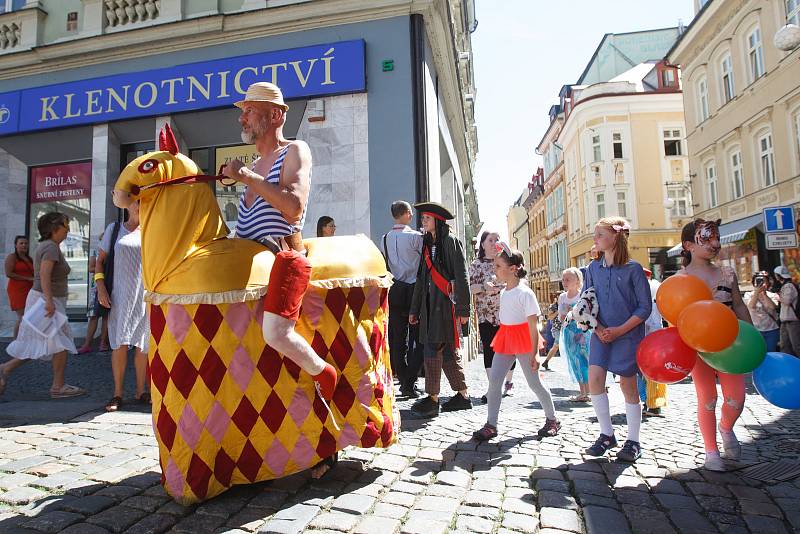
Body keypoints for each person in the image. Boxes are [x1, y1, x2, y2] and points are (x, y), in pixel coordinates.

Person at [220, 81, 337, 478]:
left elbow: (292, 208)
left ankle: (327, 375)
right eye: (244, 111)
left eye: (250, 111)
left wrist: (248, 178)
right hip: (254, 275)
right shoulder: (252, 171)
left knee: (275, 334)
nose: (242, 118)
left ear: (276, 116)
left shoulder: (295, 151)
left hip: (287, 262)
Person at [680, 219, 752, 471]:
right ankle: (711, 451)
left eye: (716, 237)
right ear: (689, 245)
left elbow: (739, 305)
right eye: (707, 238)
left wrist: (750, 334)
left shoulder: (727, 273)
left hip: (730, 345)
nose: (716, 244)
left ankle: (726, 427)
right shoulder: (682, 279)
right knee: (707, 398)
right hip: (697, 348)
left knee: (737, 399)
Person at [472, 244, 560, 441]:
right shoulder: (504, 292)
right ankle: (491, 424)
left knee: (534, 383)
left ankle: (552, 419)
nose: (494, 270)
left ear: (512, 269)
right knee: (494, 381)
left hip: (523, 339)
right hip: (506, 337)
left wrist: (536, 353)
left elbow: (533, 325)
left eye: (497, 266)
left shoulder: (525, 293)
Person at [583, 216, 651, 463]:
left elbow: (644, 308)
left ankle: (633, 440)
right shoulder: (592, 269)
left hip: (627, 336)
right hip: (600, 335)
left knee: (628, 386)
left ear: (615, 237)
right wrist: (599, 328)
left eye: (600, 234)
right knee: (595, 381)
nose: (595, 239)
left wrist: (620, 330)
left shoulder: (633, 270)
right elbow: (586, 303)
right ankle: (606, 434)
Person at [0, 213, 86, 399]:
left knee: (42, 343)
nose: (68, 230)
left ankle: (5, 369)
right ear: (54, 228)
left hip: (47, 299)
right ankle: (58, 386)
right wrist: (48, 301)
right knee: (61, 343)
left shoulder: (50, 246)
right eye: (65, 226)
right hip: (47, 300)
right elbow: (45, 275)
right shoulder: (50, 248)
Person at [409, 202, 472, 418]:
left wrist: (464, 309)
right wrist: (415, 309)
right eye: (423, 218)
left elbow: (462, 276)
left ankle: (433, 399)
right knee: (445, 352)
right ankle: (462, 396)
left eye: (426, 218)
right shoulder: (427, 244)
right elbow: (420, 279)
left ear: (437, 220)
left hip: (445, 306)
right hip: (429, 307)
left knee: (433, 350)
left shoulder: (450, 241)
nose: (423, 221)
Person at [96, 199, 150, 412]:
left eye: (143, 202)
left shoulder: (151, 231)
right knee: (119, 344)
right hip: (119, 294)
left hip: (144, 294)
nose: (139, 205)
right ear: (126, 205)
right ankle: (117, 393)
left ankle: (141, 391)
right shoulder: (114, 229)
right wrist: (100, 287)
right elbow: (99, 261)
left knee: (143, 345)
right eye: (135, 201)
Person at [382, 201, 424, 398]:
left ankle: (404, 377)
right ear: (407, 214)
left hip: (396, 290)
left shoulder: (385, 238)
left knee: (397, 338)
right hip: (415, 289)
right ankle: (410, 381)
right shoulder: (416, 237)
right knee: (417, 337)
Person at [469, 230, 515, 403]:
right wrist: (483, 286)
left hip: (507, 313)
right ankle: (493, 388)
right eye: (490, 239)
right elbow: (471, 288)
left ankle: (508, 383)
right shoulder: (476, 264)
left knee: (509, 349)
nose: (494, 242)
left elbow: (517, 274)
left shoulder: (504, 261)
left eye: (497, 239)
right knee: (490, 350)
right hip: (486, 315)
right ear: (482, 244)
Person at [637, 267, 668, 417]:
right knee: (655, 369)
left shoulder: (641, 290)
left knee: (644, 369)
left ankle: (648, 402)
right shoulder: (657, 289)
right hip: (655, 334)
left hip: (643, 334)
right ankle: (654, 403)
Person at [559, 267, 591, 403]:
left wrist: (575, 312)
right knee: (574, 361)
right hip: (569, 332)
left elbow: (588, 315)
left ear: (577, 281)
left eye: (568, 279)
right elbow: (561, 318)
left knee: (585, 360)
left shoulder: (582, 295)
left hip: (582, 331)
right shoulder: (562, 297)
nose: (564, 282)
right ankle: (582, 391)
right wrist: (566, 313)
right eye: (563, 279)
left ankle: (588, 391)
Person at [77, 246, 110, 354]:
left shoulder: (112, 247)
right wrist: (101, 267)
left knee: (106, 316)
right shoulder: (95, 251)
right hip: (95, 287)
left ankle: (103, 343)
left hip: (109, 285)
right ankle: (87, 344)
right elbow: (90, 268)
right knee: (93, 316)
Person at [5, 235, 34, 339]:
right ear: (15, 245)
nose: (24, 245)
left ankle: (25, 340)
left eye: (26, 243)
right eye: (21, 243)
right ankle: (16, 342)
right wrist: (27, 278)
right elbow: (9, 273)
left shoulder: (29, 258)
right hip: (17, 291)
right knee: (22, 317)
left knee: (29, 316)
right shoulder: (12, 257)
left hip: (29, 290)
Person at [744, 271, 780, 352]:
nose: (761, 283)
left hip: (771, 330)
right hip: (756, 331)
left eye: (764, 281)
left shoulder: (772, 295)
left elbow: (772, 307)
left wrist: (764, 294)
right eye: (759, 281)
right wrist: (757, 292)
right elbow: (751, 306)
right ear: (754, 283)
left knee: (771, 352)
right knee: (758, 352)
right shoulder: (748, 295)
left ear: (768, 283)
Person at [774, 265, 800, 356]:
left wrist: (778, 297)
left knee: (796, 345)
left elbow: (787, 300)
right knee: (785, 346)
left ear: (778, 275)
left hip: (792, 321)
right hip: (785, 321)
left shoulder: (789, 286)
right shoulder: (786, 285)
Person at [540, 303, 558, 371]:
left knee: (556, 346)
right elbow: (549, 317)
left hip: (566, 328)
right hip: (557, 329)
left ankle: (546, 362)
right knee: (557, 345)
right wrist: (557, 312)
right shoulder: (553, 306)